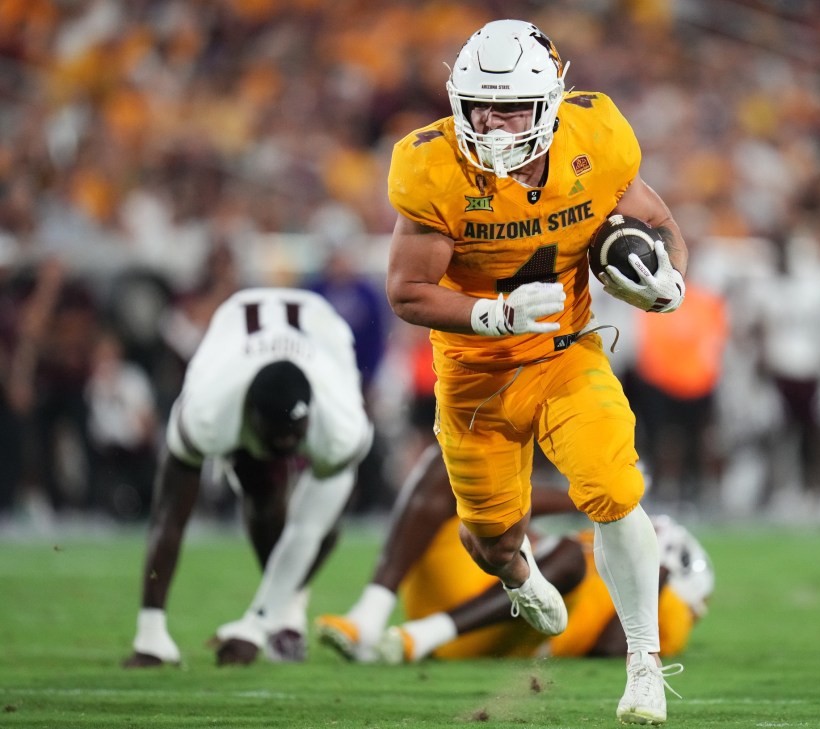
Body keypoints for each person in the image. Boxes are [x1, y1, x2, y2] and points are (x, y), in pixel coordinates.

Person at [383, 19, 689, 725]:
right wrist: (495, 316)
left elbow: (658, 221)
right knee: (490, 536)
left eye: (512, 106)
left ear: (551, 102)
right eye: (479, 105)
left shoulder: (596, 138)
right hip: (475, 374)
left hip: (564, 352)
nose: (492, 122)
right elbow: (406, 292)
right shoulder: (432, 168)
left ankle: (643, 663)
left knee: (615, 487)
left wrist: (669, 280)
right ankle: (520, 576)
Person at [122, 287, 373, 668]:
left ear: (310, 416)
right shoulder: (208, 411)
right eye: (276, 435)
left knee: (324, 517)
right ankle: (156, 633)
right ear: (249, 416)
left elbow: (308, 529)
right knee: (260, 488)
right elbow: (168, 517)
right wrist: (149, 634)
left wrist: (253, 627)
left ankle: (285, 612)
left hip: (320, 329)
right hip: (234, 326)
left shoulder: (341, 426)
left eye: (295, 434)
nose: (287, 445)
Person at [314, 444, 711, 664]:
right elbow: (514, 507)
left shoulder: (670, 600)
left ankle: (422, 635)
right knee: (450, 465)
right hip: (471, 591)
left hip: (498, 634)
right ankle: (370, 612)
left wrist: (657, 575)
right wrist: (590, 499)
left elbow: (611, 647)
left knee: (567, 558)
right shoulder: (595, 543)